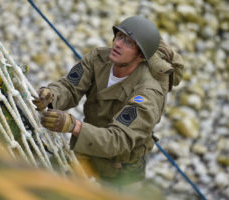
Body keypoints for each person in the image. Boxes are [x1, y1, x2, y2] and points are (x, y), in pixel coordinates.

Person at [33, 16, 184, 187]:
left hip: (119, 175)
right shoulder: (99, 58)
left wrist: (72, 125)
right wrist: (51, 95)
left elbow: (117, 140)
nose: (118, 44)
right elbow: (70, 86)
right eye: (119, 37)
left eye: (128, 42)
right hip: (86, 152)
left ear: (141, 56)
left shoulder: (148, 93)